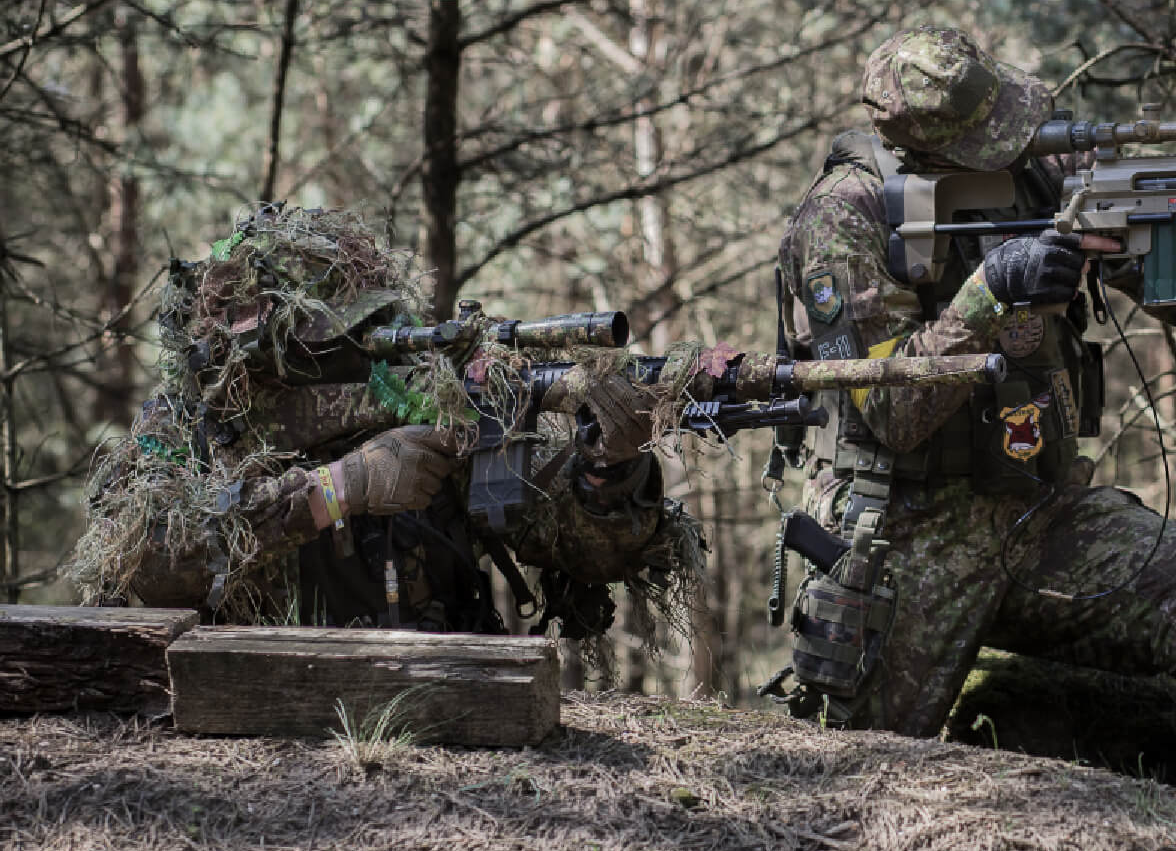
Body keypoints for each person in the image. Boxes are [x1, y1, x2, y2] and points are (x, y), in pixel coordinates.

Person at [771, 26, 1176, 789]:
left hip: (1041, 515)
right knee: (844, 775)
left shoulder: (1041, 172)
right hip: (902, 535)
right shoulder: (844, 217)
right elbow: (881, 413)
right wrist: (990, 293)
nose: (1012, 144)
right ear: (927, 145)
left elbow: (1157, 273)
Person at [61, 205, 703, 639]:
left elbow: (584, 552)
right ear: (266, 352)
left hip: (439, 729)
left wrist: (609, 470)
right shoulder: (183, 426)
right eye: (342, 337)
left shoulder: (433, 404)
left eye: (376, 327)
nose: (370, 350)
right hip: (247, 723)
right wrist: (337, 490)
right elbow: (146, 565)